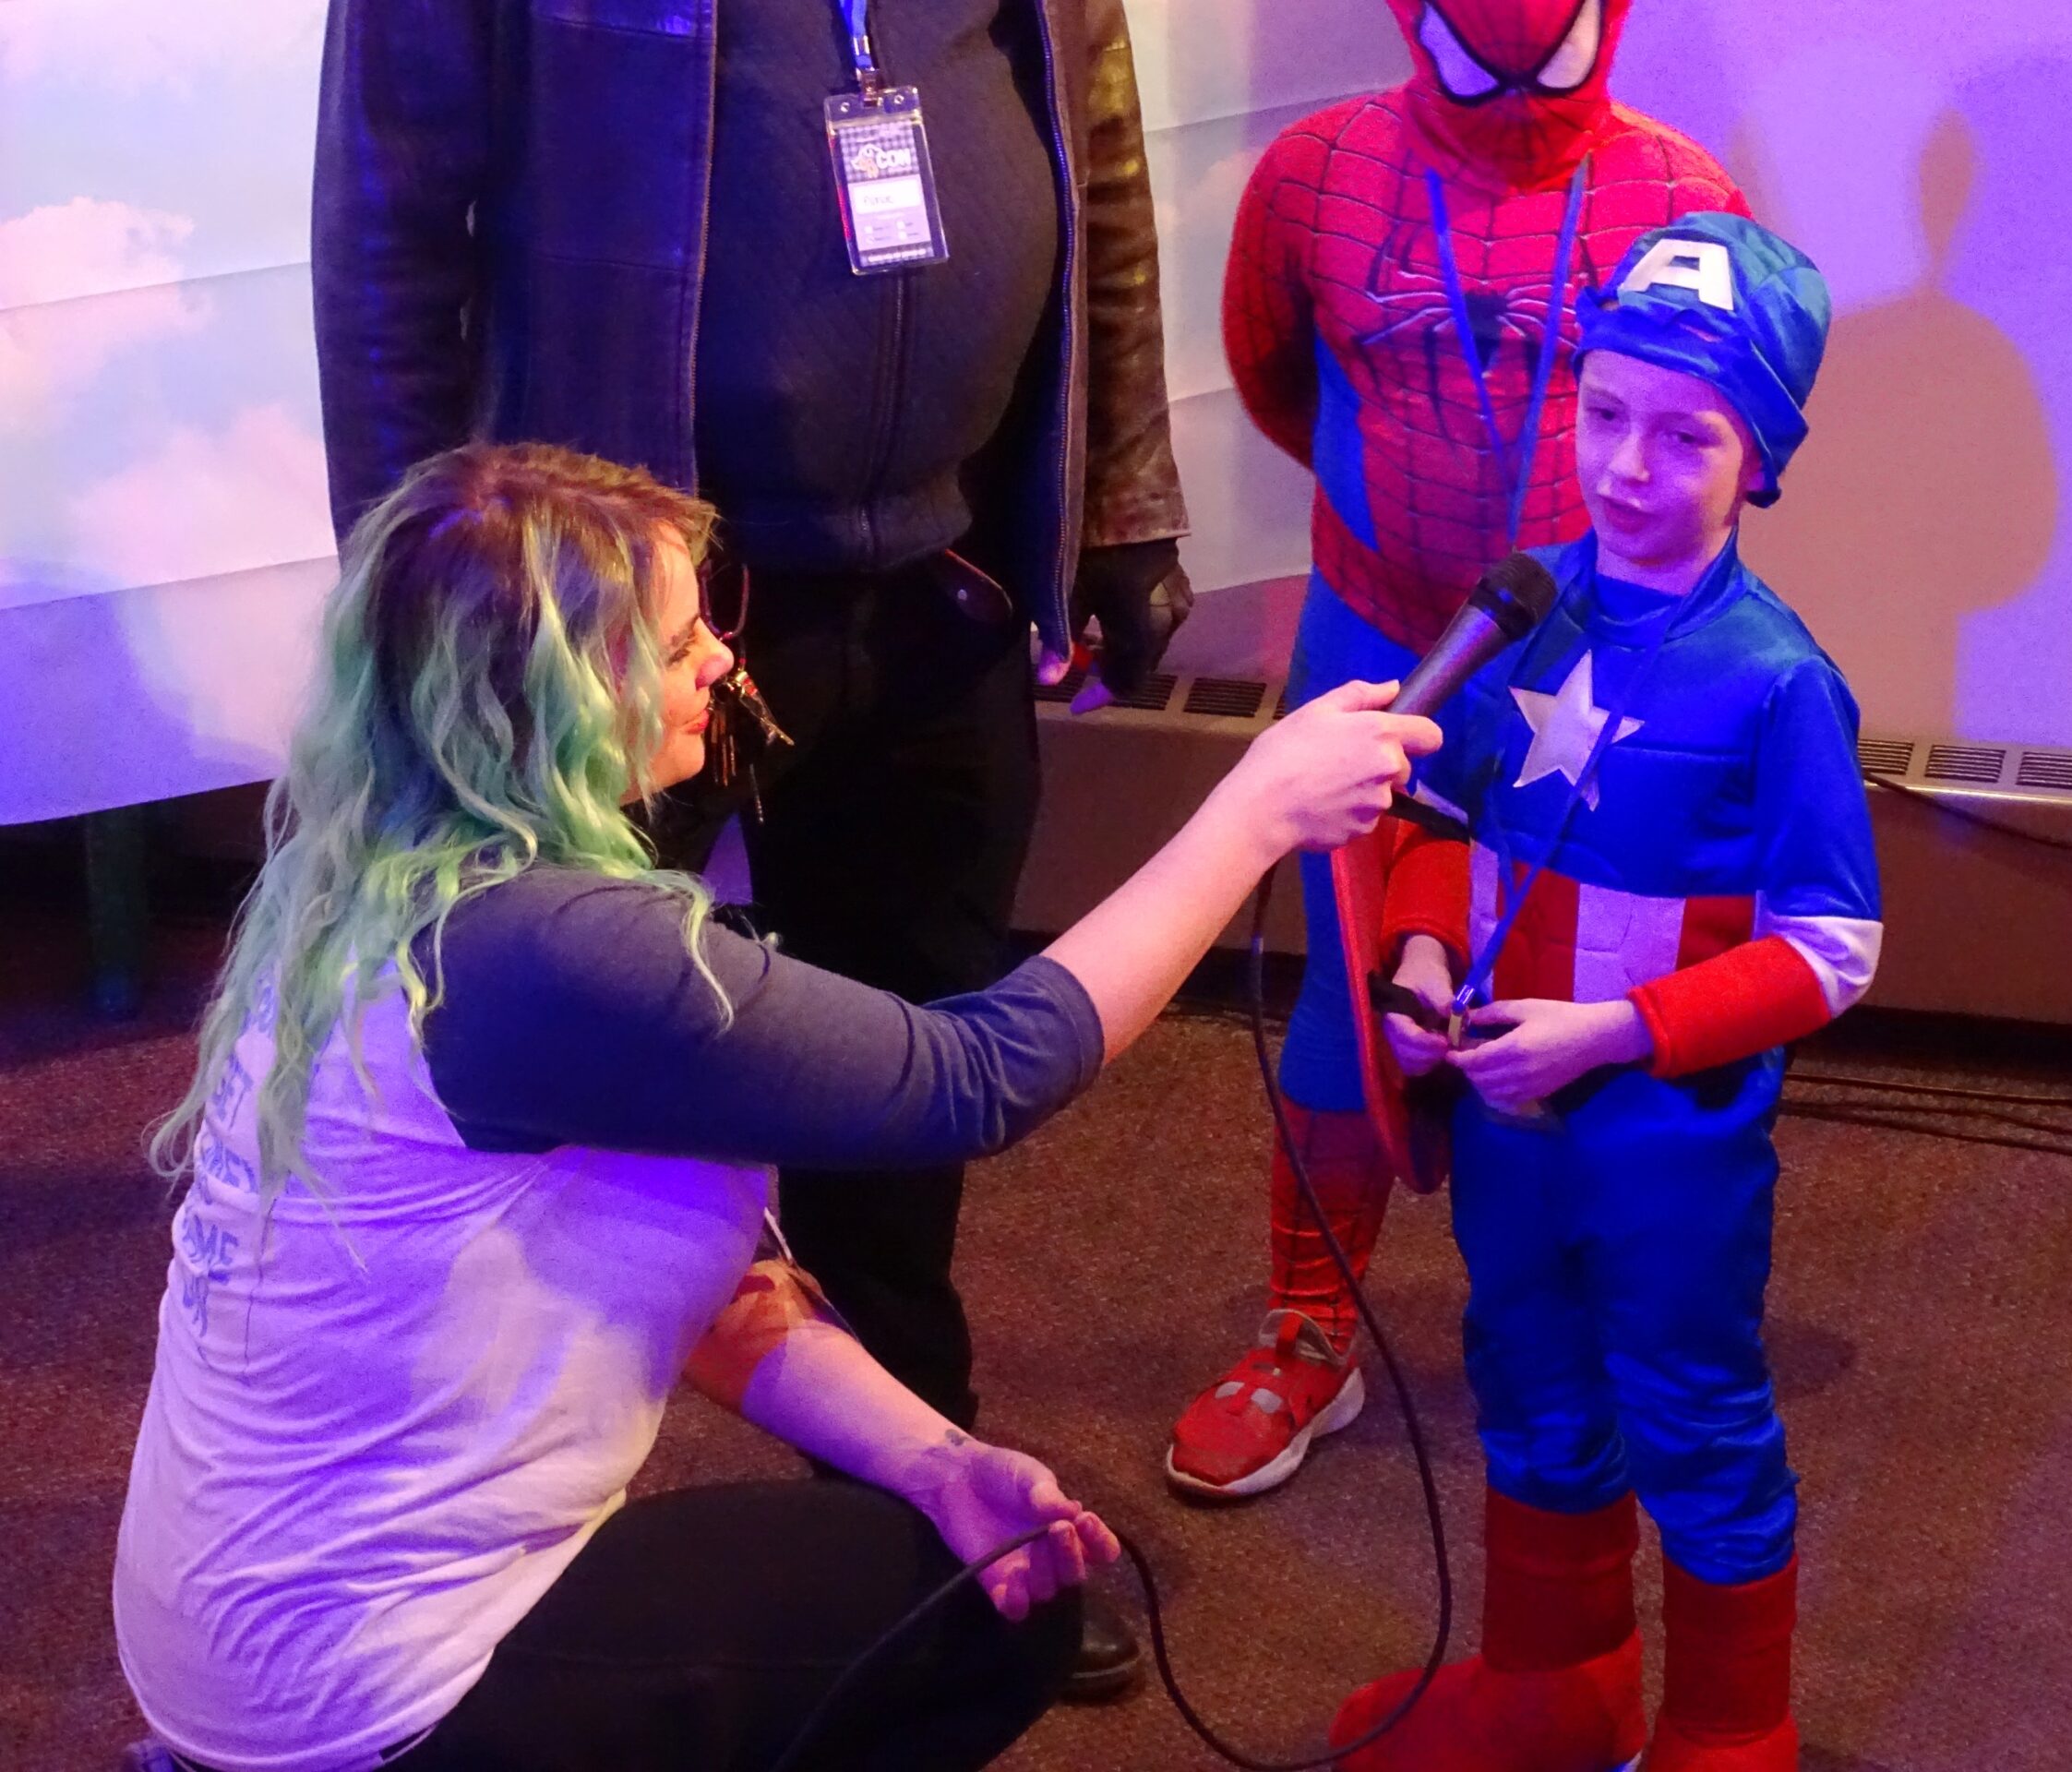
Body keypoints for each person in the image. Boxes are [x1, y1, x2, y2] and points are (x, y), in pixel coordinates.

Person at [113, 444, 1436, 1772]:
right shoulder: (551, 949)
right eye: (677, 642)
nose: (721, 662)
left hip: (243, 1658)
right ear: (555, 694)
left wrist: (934, 1461)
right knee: (991, 1621)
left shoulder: (370, 887)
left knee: (962, 1543)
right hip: (363, 1698)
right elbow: (980, 1077)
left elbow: (709, 1287)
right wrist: (1250, 816)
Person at [312, 0, 1190, 1687]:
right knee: (538, 1118)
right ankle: (447, 1585)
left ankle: (919, 1515)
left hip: (938, 585)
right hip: (613, 629)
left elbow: (1095, 142)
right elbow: (385, 226)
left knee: (899, 1072)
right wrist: (425, 607)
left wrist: (1124, 497)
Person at [1169, 0, 1751, 1501]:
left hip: (1598, 655)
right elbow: (1279, 380)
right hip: (1375, 635)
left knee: (1596, 979)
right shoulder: (1315, 175)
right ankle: (1309, 1326)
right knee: (1347, 993)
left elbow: (1714, 428)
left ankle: (1599, 1314)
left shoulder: (1682, 200)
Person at [1325, 215, 1877, 1771]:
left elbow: (1834, 949)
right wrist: (1421, 957)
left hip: (1665, 1141)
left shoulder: (1778, 681)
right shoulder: (1521, 609)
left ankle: (1728, 1735)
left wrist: (1619, 1033)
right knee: (1527, 1374)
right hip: (1510, 1111)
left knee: (1693, 1410)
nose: (1628, 466)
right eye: (1605, 412)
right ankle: (1551, 1692)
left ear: (1759, 461)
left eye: (1686, 435)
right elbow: (1439, 819)